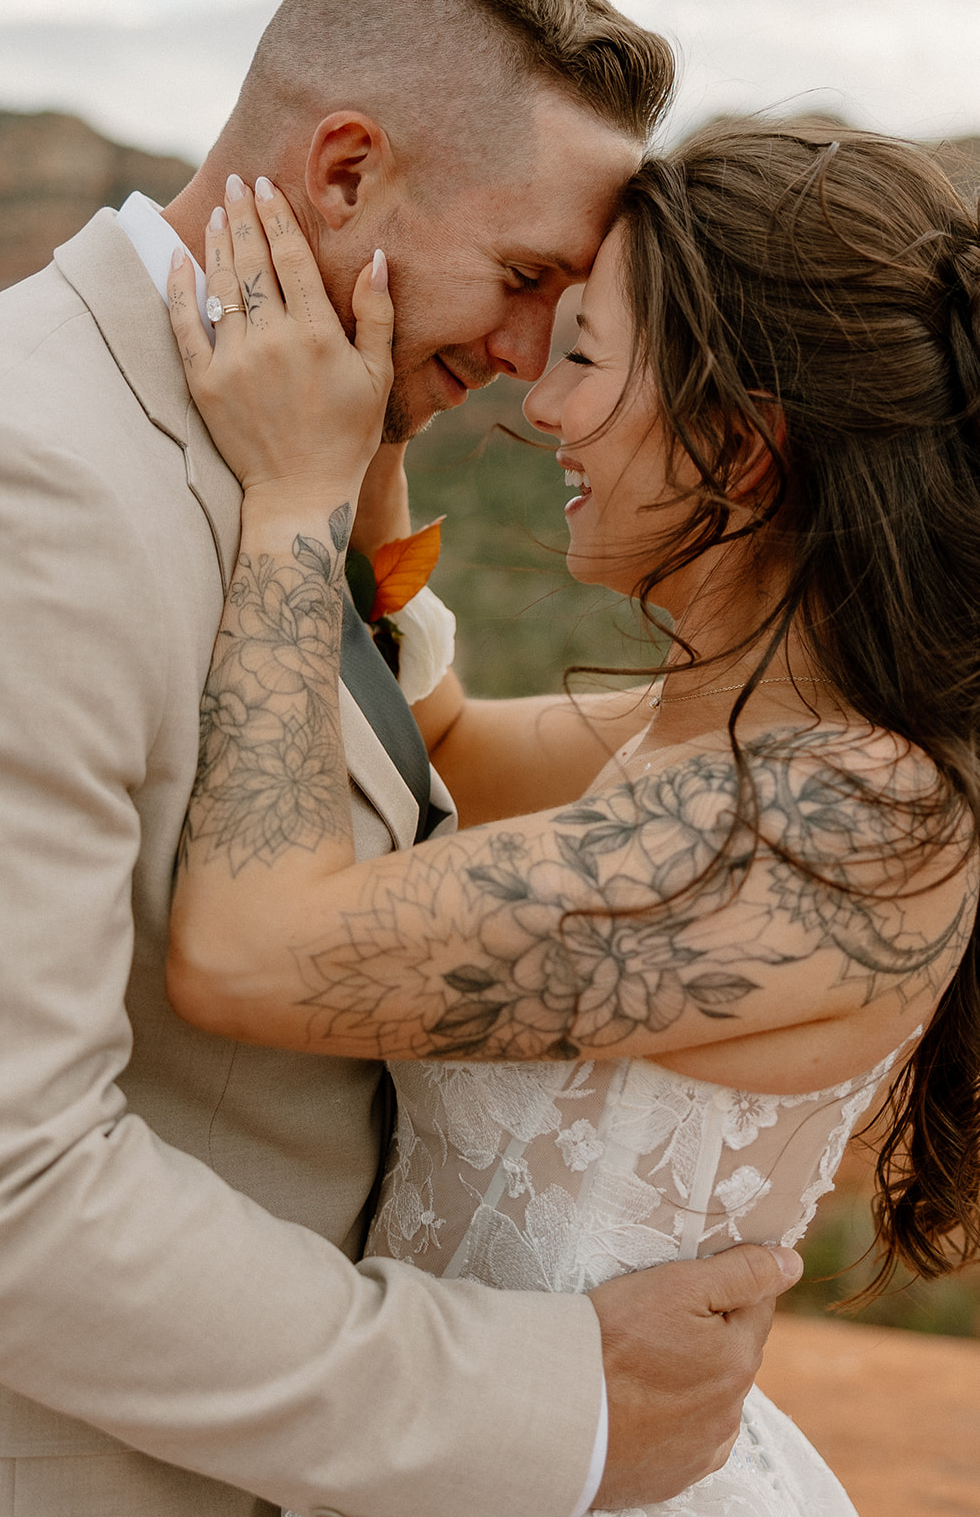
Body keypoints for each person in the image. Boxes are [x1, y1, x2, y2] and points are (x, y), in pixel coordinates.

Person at [0, 0, 802, 1516]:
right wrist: (553, 1406)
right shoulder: (0, 478)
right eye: (528, 278)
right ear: (343, 175)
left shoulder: (276, 442)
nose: (537, 364)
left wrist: (347, 507)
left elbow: (403, 742)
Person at [164, 114, 980, 1516]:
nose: (540, 403)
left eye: (590, 359)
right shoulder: (719, 728)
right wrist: (374, 452)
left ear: (743, 450)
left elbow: (245, 950)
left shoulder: (836, 821)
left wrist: (291, 504)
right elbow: (452, 746)